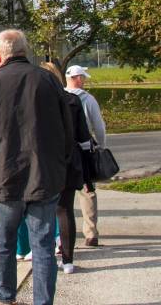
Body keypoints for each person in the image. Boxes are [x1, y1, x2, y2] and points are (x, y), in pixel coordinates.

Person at [0, 30, 72, 305]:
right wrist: (60, 165)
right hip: (44, 177)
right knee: (43, 246)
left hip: (3, 178)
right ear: (25, 50)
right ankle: (43, 302)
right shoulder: (49, 81)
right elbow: (67, 131)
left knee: (3, 243)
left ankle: (4, 297)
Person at [41, 62, 91, 275]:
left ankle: (44, 256)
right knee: (65, 209)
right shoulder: (73, 100)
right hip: (69, 159)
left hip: (43, 162)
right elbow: (84, 137)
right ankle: (68, 260)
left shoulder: (36, 102)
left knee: (42, 211)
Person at [65, 65, 106, 248]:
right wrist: (101, 145)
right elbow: (98, 125)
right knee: (87, 190)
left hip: (63, 150)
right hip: (83, 149)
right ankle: (90, 233)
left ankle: (62, 234)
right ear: (78, 78)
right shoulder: (88, 99)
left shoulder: (58, 96)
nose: (84, 81)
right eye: (83, 77)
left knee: (63, 194)